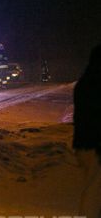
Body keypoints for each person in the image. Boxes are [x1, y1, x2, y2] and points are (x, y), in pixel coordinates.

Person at [73, 44, 101, 217]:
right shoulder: (95, 84)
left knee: (94, 187)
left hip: (85, 144)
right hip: (96, 146)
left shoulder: (85, 82)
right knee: (95, 190)